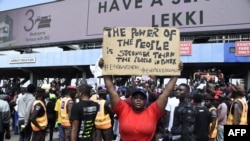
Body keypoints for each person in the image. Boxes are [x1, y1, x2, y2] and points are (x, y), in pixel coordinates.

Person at [98, 58, 183, 141]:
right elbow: (111, 90)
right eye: (135, 98)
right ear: (131, 99)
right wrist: (105, 71)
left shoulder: (153, 111)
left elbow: (166, 93)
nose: (138, 100)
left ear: (146, 101)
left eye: (142, 98)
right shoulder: (123, 109)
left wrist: (176, 74)